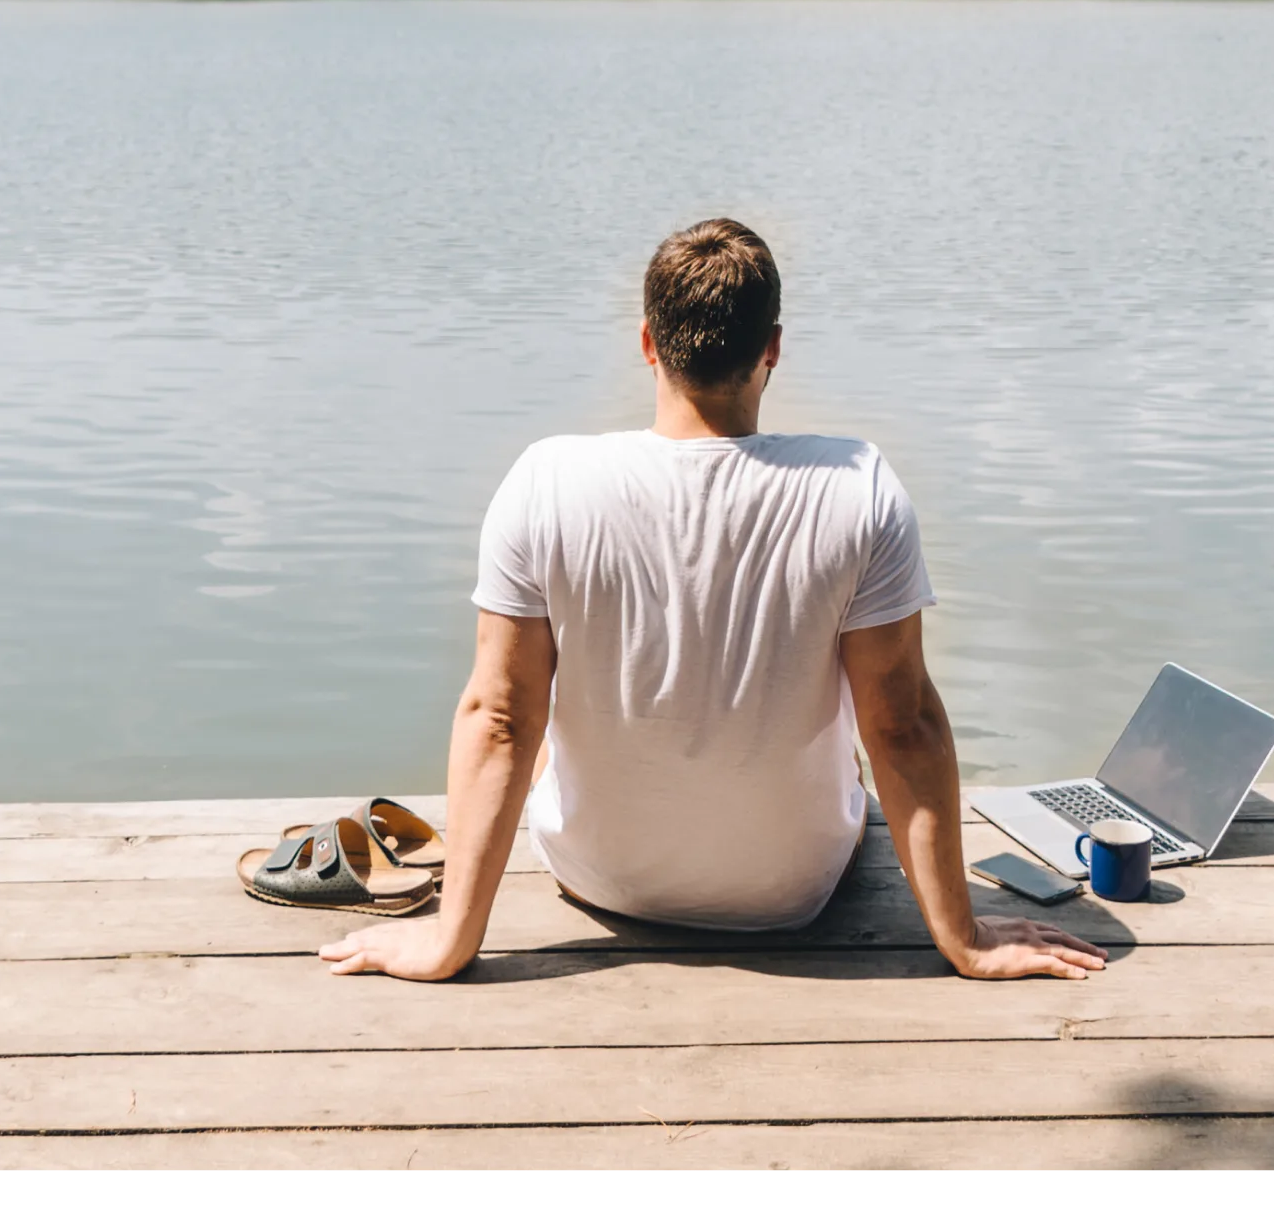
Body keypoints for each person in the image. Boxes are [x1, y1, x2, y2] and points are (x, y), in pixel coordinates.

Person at [321, 218, 1104, 982]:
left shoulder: (544, 481)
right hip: (794, 888)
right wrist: (962, 937)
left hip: (601, 877)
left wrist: (449, 942)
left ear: (647, 344)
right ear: (772, 348)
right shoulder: (857, 487)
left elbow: (499, 718)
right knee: (857, 753)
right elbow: (902, 727)